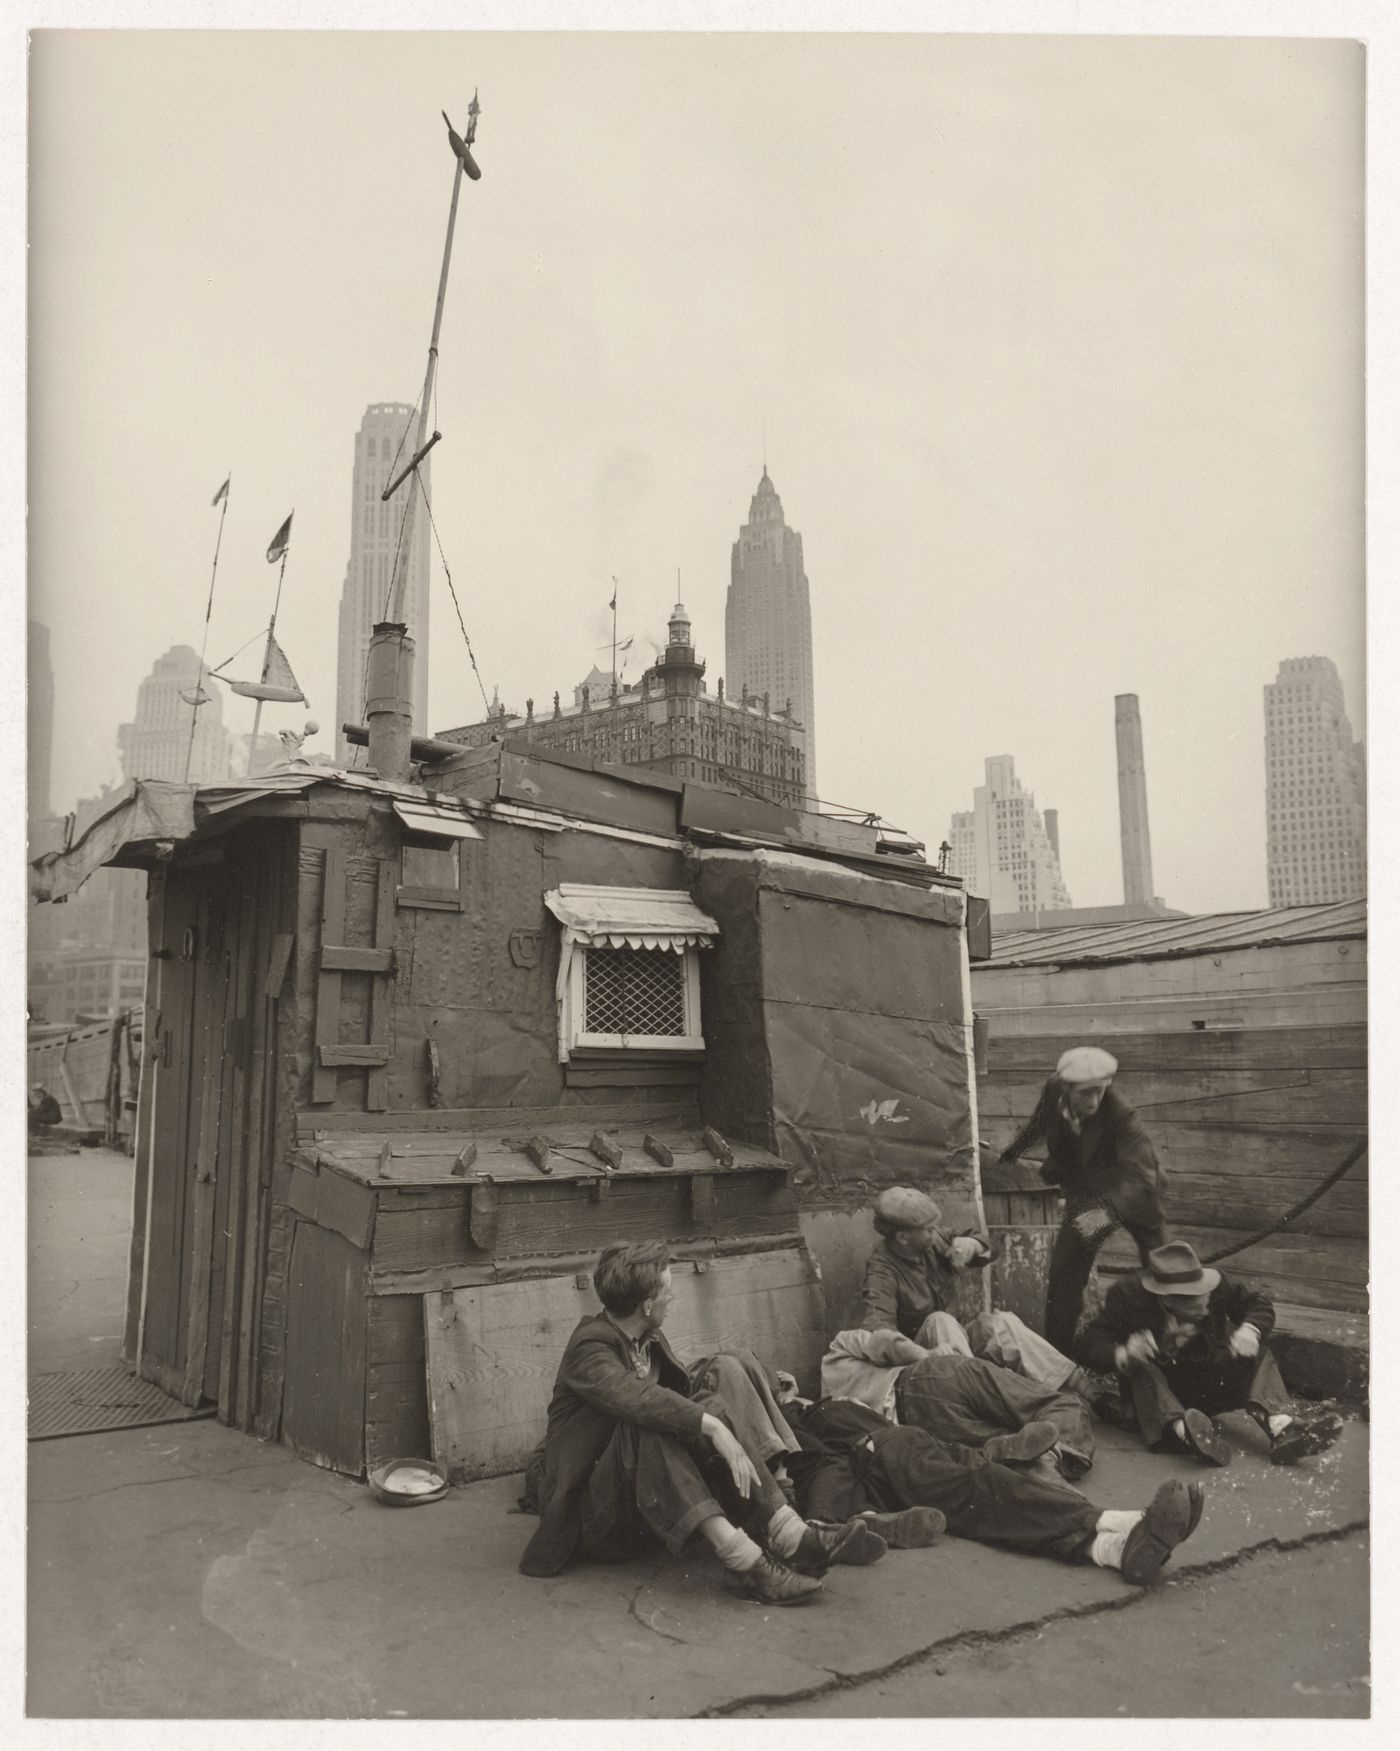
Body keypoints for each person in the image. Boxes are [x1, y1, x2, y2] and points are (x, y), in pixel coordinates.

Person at [517, 1240, 888, 1605]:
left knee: (710, 1401)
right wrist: (712, 1427)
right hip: (593, 1519)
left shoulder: (645, 1339)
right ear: (647, 1304)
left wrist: (723, 1411)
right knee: (647, 1423)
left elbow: (679, 1394)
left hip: (638, 1506)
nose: (672, 1300)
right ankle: (744, 1563)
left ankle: (789, 1533)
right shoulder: (590, 1348)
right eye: (668, 1293)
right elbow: (637, 1399)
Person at [782, 1393, 1205, 1588]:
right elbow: (822, 1467)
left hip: (915, 1444)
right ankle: (1120, 1522)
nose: (783, 1384)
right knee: (986, 1487)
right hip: (887, 1454)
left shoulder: (823, 1402)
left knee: (996, 1496)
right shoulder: (796, 1421)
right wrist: (840, 1514)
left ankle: (1113, 1549)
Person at [1075, 1241, 1343, 1468]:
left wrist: (1250, 1329)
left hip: (1209, 1380)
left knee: (1258, 1351)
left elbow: (1258, 1303)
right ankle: (1185, 1434)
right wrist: (1122, 1353)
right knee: (1141, 1368)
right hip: (1160, 1396)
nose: (1206, 1303)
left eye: (1205, 1294)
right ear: (1168, 1299)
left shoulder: (1214, 1285)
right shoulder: (1127, 1296)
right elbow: (1088, 1344)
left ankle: (1281, 1427)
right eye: (1196, 1301)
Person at [998, 1046, 1168, 1352]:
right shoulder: (1053, 1088)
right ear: (1066, 1088)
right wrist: (1014, 1150)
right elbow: (1041, 1120)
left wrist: (1097, 1218)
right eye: (1085, 1093)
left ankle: (1166, 1346)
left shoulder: (1121, 1114)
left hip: (1135, 1193)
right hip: (1089, 1191)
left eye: (1100, 1092)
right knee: (1064, 1272)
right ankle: (1057, 1356)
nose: (1094, 1101)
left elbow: (1142, 1179)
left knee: (1165, 1269)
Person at [861, 1184, 1100, 1401]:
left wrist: (972, 1244)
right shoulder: (882, 1270)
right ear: (902, 1237)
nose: (935, 1233)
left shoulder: (931, 1241)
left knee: (1000, 1323)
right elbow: (878, 1334)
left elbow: (988, 1246)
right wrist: (924, 1353)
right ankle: (979, 1403)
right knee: (939, 1320)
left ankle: (1082, 1387)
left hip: (958, 1351)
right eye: (927, 1230)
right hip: (924, 1370)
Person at [822, 1325, 1096, 1479]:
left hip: (918, 1431)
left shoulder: (822, 1408)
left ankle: (1043, 1461)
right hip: (926, 1379)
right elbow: (884, 1341)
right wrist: (925, 1354)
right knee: (1063, 1403)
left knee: (1007, 1443)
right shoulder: (837, 1348)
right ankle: (1060, 1451)